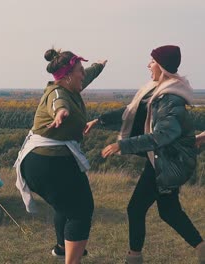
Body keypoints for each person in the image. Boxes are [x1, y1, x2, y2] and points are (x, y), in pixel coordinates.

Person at [87, 45, 204, 264]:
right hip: (162, 160)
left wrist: (123, 145)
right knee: (168, 211)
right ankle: (201, 248)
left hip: (167, 162)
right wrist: (99, 120)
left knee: (136, 207)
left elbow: (163, 135)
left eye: (152, 61)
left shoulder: (170, 98)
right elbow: (131, 112)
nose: (148, 65)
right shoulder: (156, 91)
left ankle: (134, 257)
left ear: (161, 66)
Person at [14, 48, 106, 264]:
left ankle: (61, 247)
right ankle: (71, 258)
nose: (83, 74)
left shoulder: (71, 86)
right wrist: (60, 114)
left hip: (44, 162)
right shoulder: (57, 93)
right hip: (49, 162)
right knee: (81, 210)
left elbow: (87, 76)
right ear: (67, 77)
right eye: (80, 71)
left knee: (65, 205)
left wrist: (99, 66)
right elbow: (59, 105)